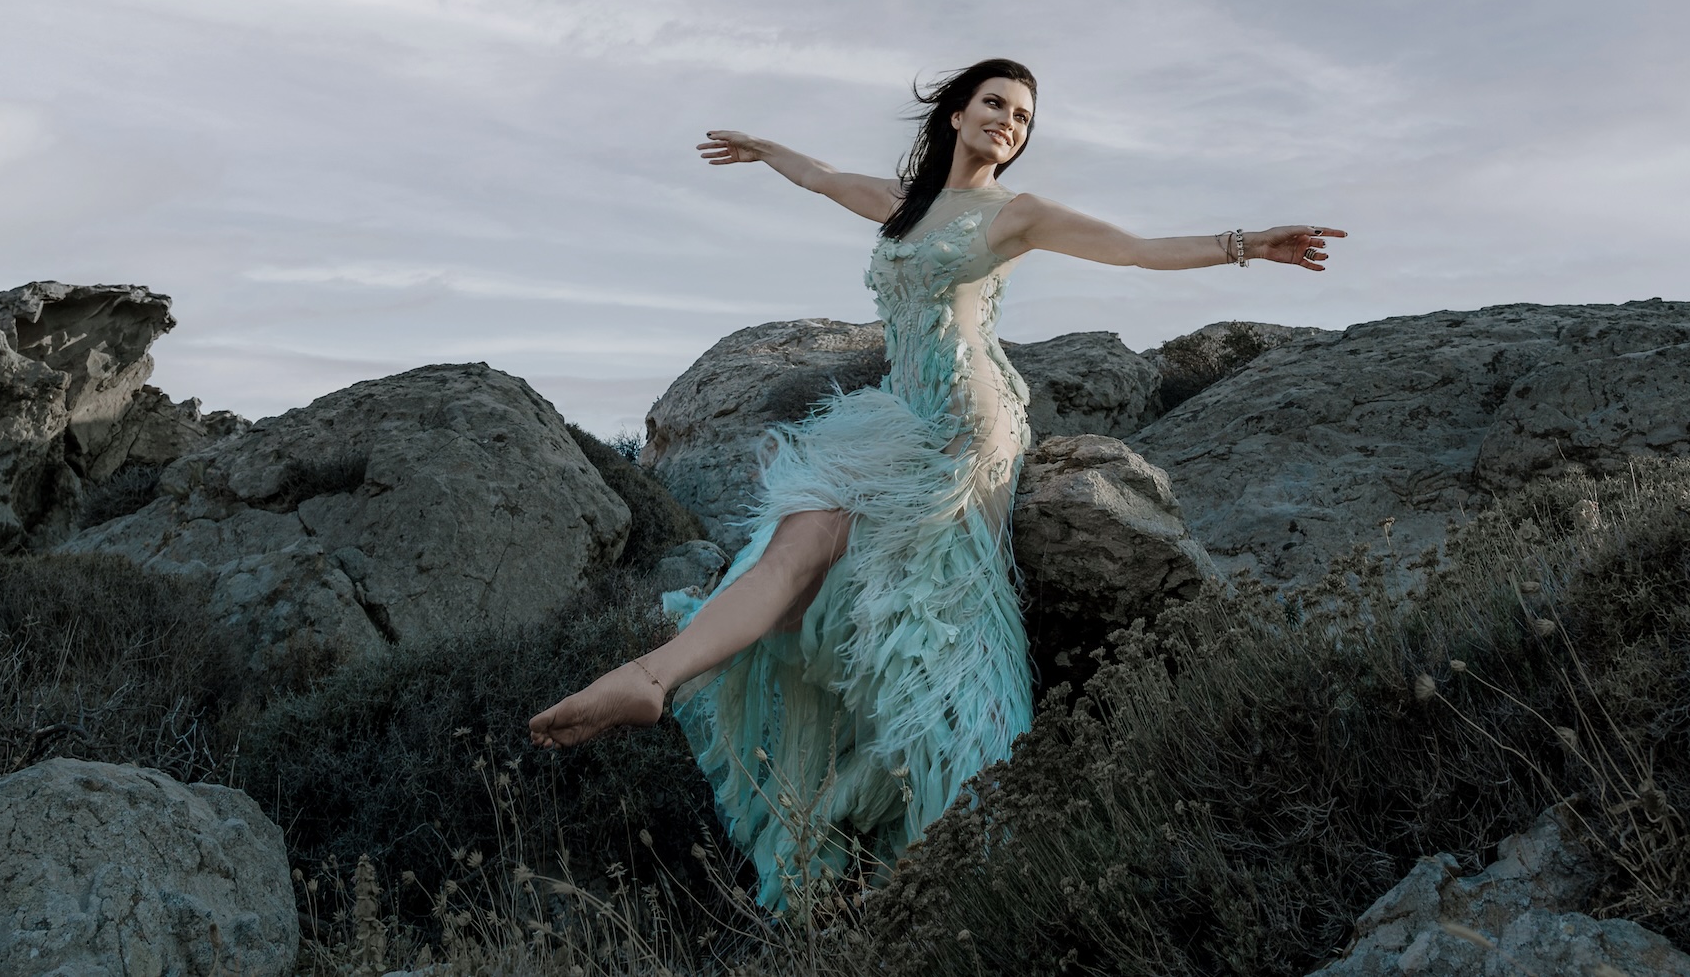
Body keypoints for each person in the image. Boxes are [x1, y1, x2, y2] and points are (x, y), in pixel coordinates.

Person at [527, 58, 1344, 908]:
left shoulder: (1014, 214)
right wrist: (766, 147)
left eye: (1024, 117)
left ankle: (947, 831)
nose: (1009, 122)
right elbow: (821, 178)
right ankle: (652, 679)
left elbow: (1134, 252)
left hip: (965, 425)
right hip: (897, 413)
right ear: (956, 112)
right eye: (996, 104)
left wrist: (1246, 246)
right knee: (797, 543)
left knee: (925, 610)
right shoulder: (904, 204)